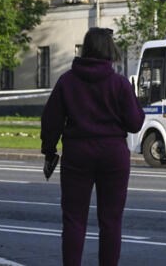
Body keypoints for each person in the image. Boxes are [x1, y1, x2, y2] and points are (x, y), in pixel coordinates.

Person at [40, 27, 145, 266]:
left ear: (86, 49)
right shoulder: (118, 83)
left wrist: (49, 150)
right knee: (111, 221)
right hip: (113, 155)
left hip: (77, 153)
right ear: (110, 49)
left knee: (74, 220)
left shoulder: (67, 80)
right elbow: (135, 123)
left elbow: (51, 119)